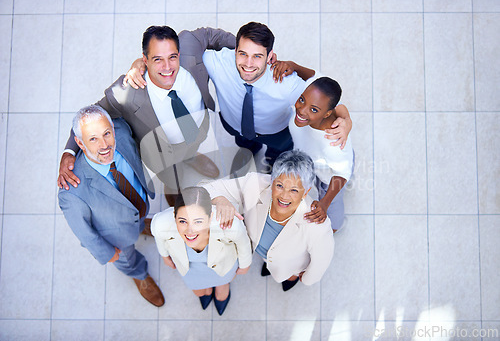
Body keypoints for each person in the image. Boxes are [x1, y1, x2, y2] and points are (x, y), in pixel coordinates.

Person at [125, 22, 352, 172]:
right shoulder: (219, 62)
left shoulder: (286, 82)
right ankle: (248, 153)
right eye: (242, 54)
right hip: (234, 124)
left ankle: (271, 162)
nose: (248, 64)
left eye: (257, 56)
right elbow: (168, 53)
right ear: (235, 50)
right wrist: (138, 63)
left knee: (279, 153)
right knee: (243, 143)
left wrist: (346, 118)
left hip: (275, 132)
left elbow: (324, 94)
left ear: (270, 56)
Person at [57, 25, 236, 204]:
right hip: (162, 152)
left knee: (193, 144)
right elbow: (91, 115)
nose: (167, 68)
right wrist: (69, 151)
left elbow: (210, 35)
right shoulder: (127, 92)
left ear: (179, 53)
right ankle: (172, 185)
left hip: (197, 128)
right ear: (145, 59)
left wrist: (254, 52)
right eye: (157, 59)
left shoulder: (190, 45)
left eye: (172, 57)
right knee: (170, 175)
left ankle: (191, 158)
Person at [58, 105, 165, 307]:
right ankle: (139, 274)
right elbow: (84, 233)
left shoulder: (122, 132)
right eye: (93, 139)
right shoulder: (71, 193)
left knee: (139, 218)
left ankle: (142, 224)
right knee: (127, 258)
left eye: (107, 134)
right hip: (117, 237)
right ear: (79, 143)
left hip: (138, 205)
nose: (104, 145)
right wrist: (108, 253)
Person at [202, 150, 334, 291]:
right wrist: (220, 199)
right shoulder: (254, 183)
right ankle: (268, 264)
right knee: (270, 261)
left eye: (294, 190)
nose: (284, 196)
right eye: (279, 185)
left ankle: (290, 277)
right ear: (271, 181)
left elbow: (321, 263)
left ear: (306, 192)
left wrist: (306, 279)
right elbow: (205, 188)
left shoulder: (317, 224)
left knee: (288, 274)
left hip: (291, 267)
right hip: (260, 250)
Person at [150, 186, 252, 315]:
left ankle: (222, 286)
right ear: (174, 217)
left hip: (223, 263)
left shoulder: (229, 224)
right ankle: (206, 290)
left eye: (198, 221)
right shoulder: (160, 223)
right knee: (200, 291)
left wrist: (245, 265)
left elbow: (243, 244)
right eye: (182, 221)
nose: (190, 231)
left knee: (222, 284)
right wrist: (165, 256)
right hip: (191, 269)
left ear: (210, 218)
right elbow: (160, 238)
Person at [289, 77, 354, 232]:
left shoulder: (333, 144)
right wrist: (292, 66)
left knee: (334, 204)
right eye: (302, 100)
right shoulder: (308, 108)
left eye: (313, 110)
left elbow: (341, 174)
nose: (301, 110)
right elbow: (341, 107)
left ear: (327, 114)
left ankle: (337, 226)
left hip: (329, 176)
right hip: (315, 164)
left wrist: (324, 203)